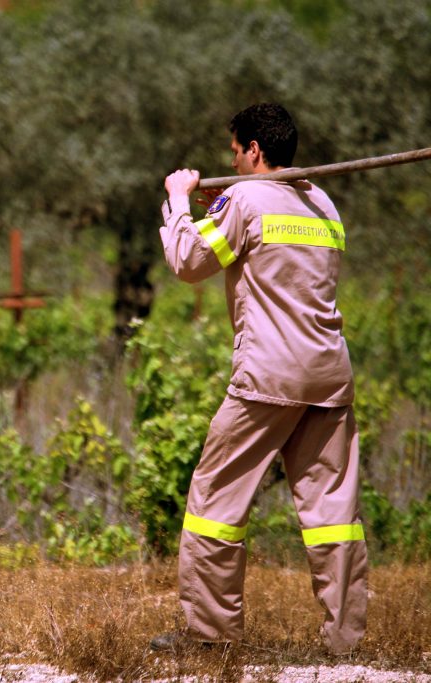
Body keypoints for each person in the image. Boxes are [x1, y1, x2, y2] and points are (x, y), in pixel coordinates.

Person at [151, 103, 367, 654]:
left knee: (216, 500)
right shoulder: (323, 202)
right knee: (333, 514)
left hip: (267, 376)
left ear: (253, 149)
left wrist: (179, 204)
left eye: (235, 150)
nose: (234, 160)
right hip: (328, 376)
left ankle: (209, 636)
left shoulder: (244, 198)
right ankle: (344, 642)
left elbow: (188, 262)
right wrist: (214, 212)